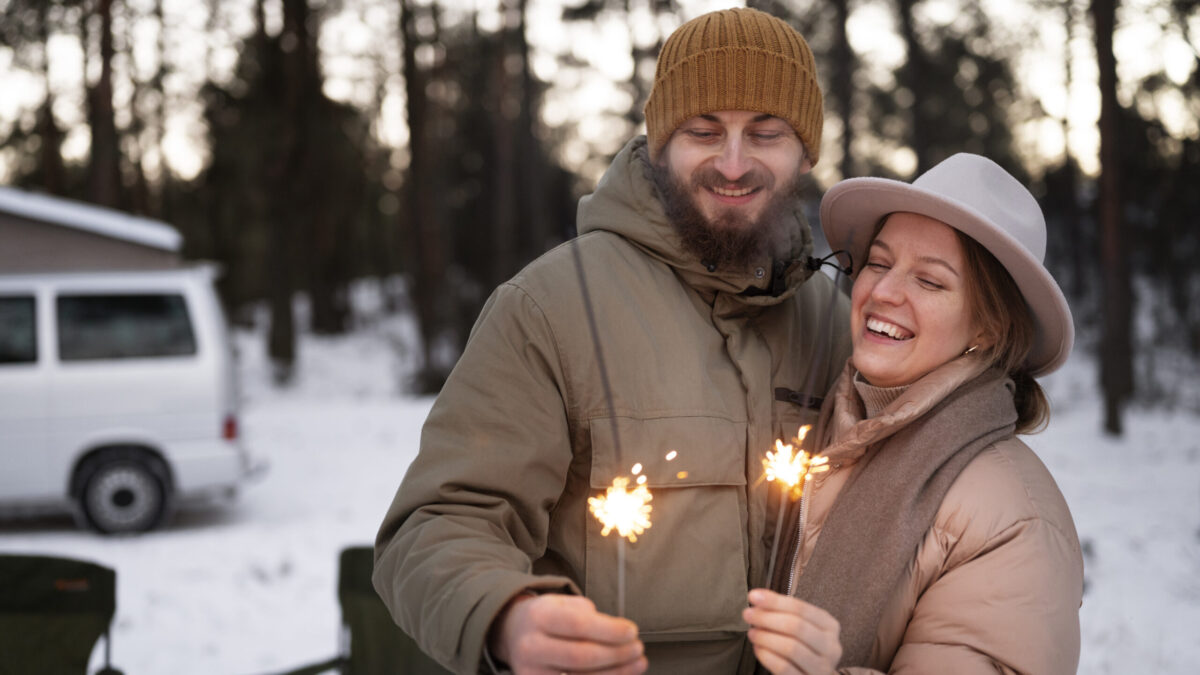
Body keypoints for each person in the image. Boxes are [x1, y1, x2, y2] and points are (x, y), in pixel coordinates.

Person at [372, 7, 852, 675]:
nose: (734, 163)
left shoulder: (835, 321)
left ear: (805, 151)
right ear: (659, 142)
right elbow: (437, 523)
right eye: (704, 130)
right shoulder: (550, 307)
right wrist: (507, 615)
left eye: (765, 133)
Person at [742, 153, 1085, 674]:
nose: (883, 292)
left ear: (988, 327)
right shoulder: (817, 437)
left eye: (930, 281)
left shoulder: (1014, 518)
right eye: (879, 263)